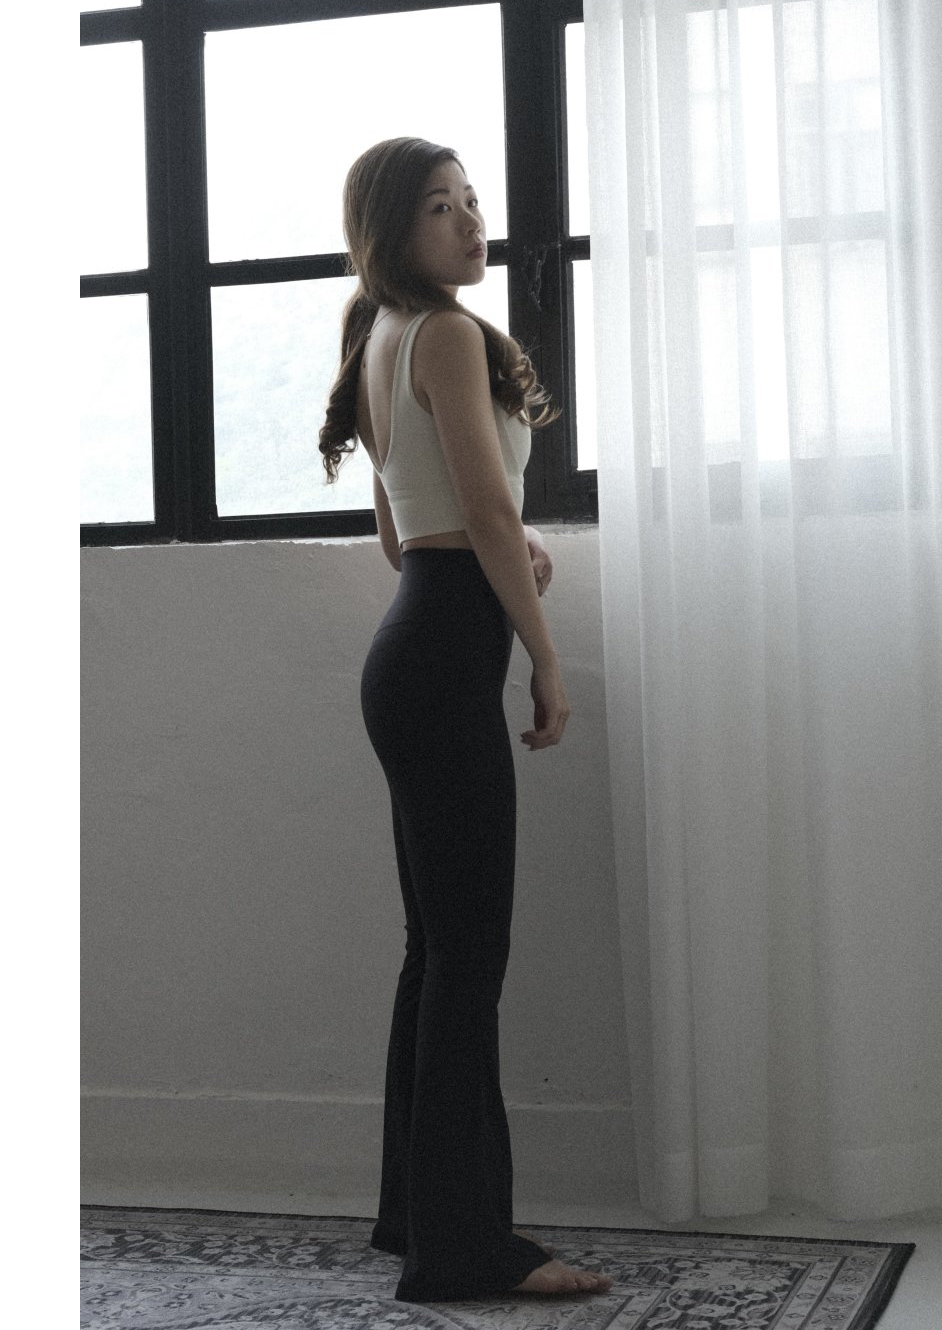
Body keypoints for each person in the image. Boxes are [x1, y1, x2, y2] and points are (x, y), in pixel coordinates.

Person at [318, 137, 614, 1303]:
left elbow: (407, 535)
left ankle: (418, 1219)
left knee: (435, 950)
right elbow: (481, 510)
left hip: (413, 644)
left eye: (472, 199)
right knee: (467, 956)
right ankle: (465, 1248)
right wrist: (545, 658)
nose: (471, 220)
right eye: (441, 207)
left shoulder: (380, 335)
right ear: (394, 230)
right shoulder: (441, 332)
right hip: (445, 659)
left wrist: (501, 541)